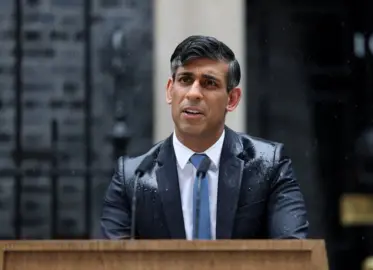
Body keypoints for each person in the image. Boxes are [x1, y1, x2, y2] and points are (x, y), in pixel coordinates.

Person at [100, 35, 308, 239]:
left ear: (232, 99)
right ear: (170, 91)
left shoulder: (270, 166)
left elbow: (292, 254)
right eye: (185, 80)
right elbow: (112, 261)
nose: (193, 93)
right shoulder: (133, 178)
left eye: (209, 83)